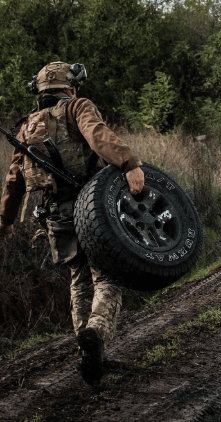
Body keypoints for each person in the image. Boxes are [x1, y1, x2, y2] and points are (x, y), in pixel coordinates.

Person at [0, 62, 145, 385]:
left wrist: (6, 220)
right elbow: (97, 136)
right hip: (91, 207)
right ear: (71, 87)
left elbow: (14, 179)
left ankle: (89, 354)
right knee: (107, 275)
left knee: (79, 280)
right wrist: (129, 163)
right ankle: (96, 332)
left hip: (55, 214)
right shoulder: (77, 107)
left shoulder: (27, 126)